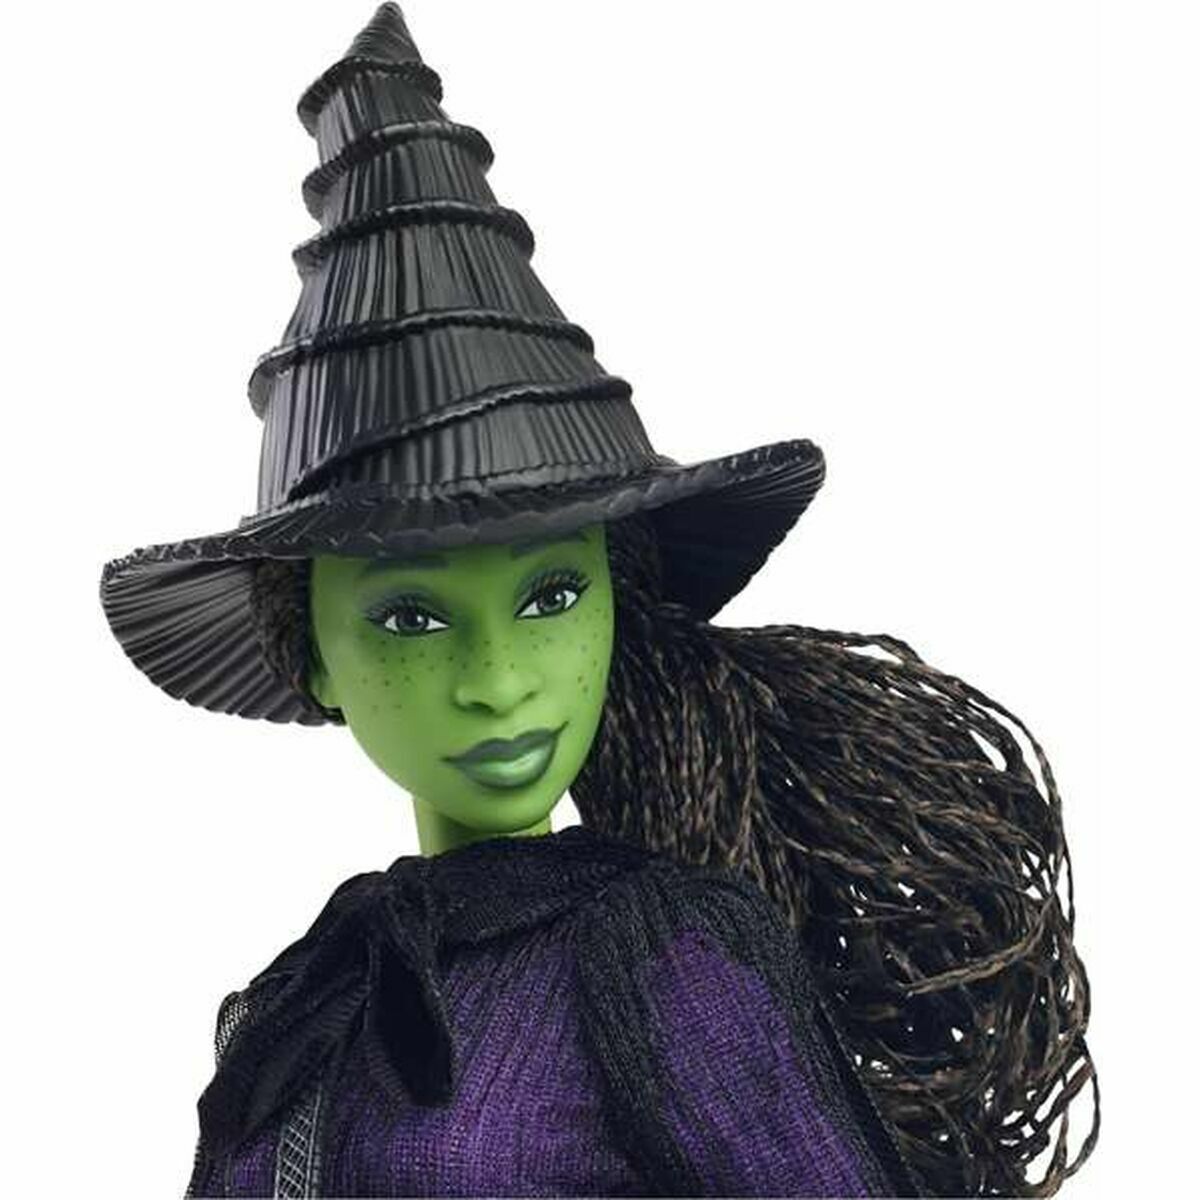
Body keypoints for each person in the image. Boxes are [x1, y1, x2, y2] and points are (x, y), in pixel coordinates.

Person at [98, 4, 1097, 1196]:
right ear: (306, 651)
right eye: (410, 617)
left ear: (618, 605)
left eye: (551, 595)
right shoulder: (304, 998)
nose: (496, 680)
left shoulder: (661, 954)